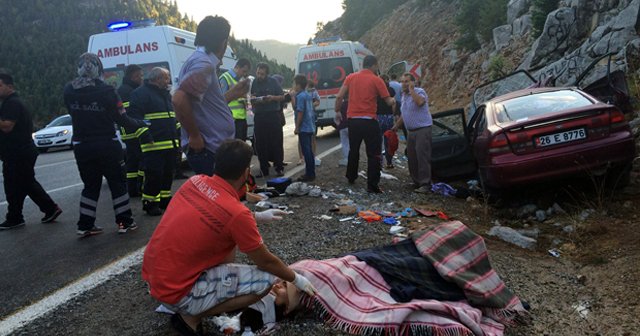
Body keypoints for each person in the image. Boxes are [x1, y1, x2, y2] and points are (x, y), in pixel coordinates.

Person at [142, 139, 316, 336]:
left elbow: (218, 211)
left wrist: (256, 217)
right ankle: (190, 315)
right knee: (266, 281)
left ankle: (195, 301)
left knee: (226, 239)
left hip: (154, 278)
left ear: (217, 164)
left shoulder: (194, 181)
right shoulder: (236, 214)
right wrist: (296, 279)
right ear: (245, 173)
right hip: (175, 293)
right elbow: (266, 261)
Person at [63, 53, 147, 237]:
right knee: (117, 183)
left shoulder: (69, 89)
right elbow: (122, 119)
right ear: (99, 69)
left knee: (90, 185)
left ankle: (85, 225)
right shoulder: (107, 90)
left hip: (81, 145)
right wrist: (142, 123)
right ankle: (125, 222)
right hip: (107, 144)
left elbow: (72, 112)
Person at [173, 15, 249, 176]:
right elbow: (179, 100)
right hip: (208, 149)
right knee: (218, 198)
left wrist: (232, 94)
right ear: (223, 42)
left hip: (211, 148)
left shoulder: (198, 61)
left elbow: (202, 105)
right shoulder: (204, 64)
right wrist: (194, 136)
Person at [0, 73, 62, 230]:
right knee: (15, 185)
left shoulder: (12, 103)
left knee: (25, 183)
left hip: (19, 151)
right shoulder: (11, 102)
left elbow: (7, 126)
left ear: (10, 86)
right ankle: (15, 216)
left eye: (0, 85)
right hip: (17, 151)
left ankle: (49, 208)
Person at [334, 55, 395, 193]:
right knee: (373, 153)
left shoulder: (350, 77)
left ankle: (351, 176)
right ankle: (372, 185)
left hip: (353, 121)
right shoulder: (377, 80)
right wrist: (393, 101)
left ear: (363, 64)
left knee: (353, 149)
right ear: (374, 65)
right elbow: (388, 101)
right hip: (369, 121)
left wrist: (337, 111)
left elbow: (339, 96)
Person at [127, 67, 178, 216]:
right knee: (154, 174)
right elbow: (134, 118)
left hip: (170, 142)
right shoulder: (140, 94)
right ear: (157, 79)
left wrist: (178, 134)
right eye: (166, 78)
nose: (168, 81)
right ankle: (150, 202)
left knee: (168, 173)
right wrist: (145, 136)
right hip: (153, 144)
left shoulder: (165, 94)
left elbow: (171, 117)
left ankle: (164, 198)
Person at [392, 73, 432, 194]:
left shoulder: (420, 92)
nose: (403, 84)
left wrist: (411, 90)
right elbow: (405, 114)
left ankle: (425, 184)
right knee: (412, 157)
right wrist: (396, 126)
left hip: (422, 129)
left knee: (422, 157)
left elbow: (420, 102)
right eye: (402, 81)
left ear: (413, 82)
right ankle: (417, 182)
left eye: (406, 81)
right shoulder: (403, 95)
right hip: (411, 131)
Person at [251, 63, 286, 177]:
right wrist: (254, 99)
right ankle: (263, 169)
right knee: (260, 144)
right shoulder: (254, 82)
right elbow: (251, 98)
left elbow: (282, 97)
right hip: (259, 116)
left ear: (267, 74)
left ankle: (279, 167)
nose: (259, 76)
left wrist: (272, 98)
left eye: (262, 74)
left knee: (276, 141)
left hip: (272, 115)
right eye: (258, 73)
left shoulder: (273, 82)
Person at [117, 64, 144, 197]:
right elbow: (130, 113)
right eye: (139, 76)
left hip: (129, 132)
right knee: (139, 160)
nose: (141, 78)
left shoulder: (125, 89)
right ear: (133, 77)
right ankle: (137, 187)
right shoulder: (128, 91)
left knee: (132, 161)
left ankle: (132, 188)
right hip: (133, 131)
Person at [219, 58, 251, 141]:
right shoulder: (225, 78)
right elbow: (221, 99)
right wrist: (239, 96)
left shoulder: (241, 80)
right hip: (231, 119)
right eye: (243, 71)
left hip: (242, 119)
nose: (245, 74)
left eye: (246, 72)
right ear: (237, 67)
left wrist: (247, 99)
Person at [292, 74, 316, 182]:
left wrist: (297, 127)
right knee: (309, 151)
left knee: (306, 151)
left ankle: (309, 174)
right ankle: (311, 172)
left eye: (294, 84)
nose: (293, 86)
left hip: (304, 127)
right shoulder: (307, 95)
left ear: (298, 85)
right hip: (310, 126)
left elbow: (300, 112)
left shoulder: (300, 96)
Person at [377, 74, 396, 169]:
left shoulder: (376, 91)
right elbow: (393, 104)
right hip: (388, 117)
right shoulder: (391, 90)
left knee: (378, 141)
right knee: (388, 140)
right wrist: (394, 115)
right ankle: (389, 162)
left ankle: (379, 162)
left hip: (378, 117)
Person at [334, 96, 349, 167]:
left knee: (345, 144)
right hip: (352, 126)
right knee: (353, 143)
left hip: (343, 127)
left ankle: (347, 158)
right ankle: (354, 158)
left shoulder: (341, 105)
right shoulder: (352, 104)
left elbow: (336, 119)